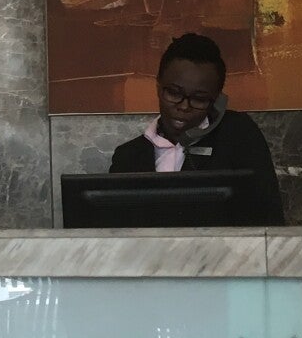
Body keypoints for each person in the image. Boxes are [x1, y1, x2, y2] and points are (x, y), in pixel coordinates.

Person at [109, 33, 285, 223]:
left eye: (199, 99)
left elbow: (269, 218)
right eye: (174, 93)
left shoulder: (237, 135)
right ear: (158, 87)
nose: (184, 106)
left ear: (216, 99)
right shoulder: (128, 157)